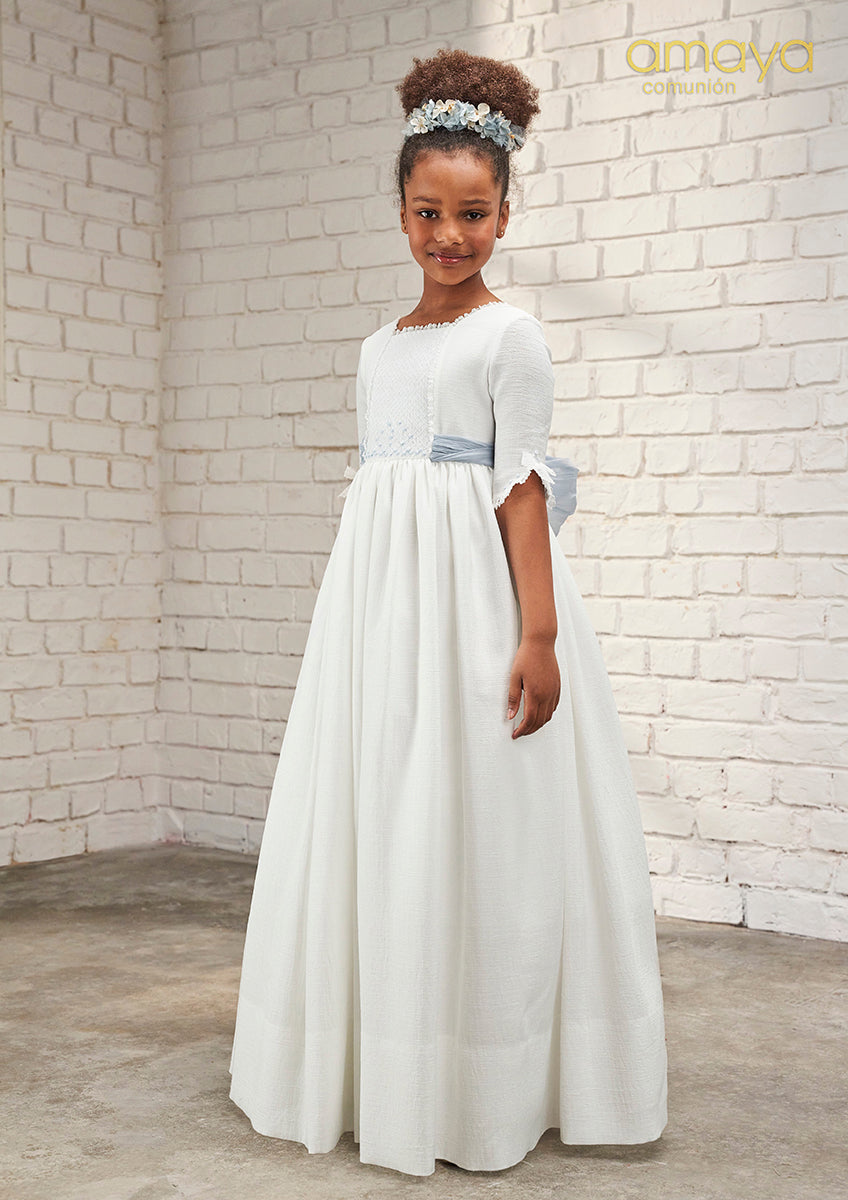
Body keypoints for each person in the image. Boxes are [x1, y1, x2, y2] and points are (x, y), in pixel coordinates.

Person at [228, 46, 668, 1177]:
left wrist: (537, 634)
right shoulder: (377, 349)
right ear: (401, 212)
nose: (449, 235)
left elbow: (521, 488)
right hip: (379, 612)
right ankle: (376, 1057)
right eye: (428, 213)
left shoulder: (508, 337)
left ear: (505, 215)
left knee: (479, 814)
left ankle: (483, 1074)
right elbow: (382, 491)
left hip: (474, 604)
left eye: (473, 214)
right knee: (384, 803)